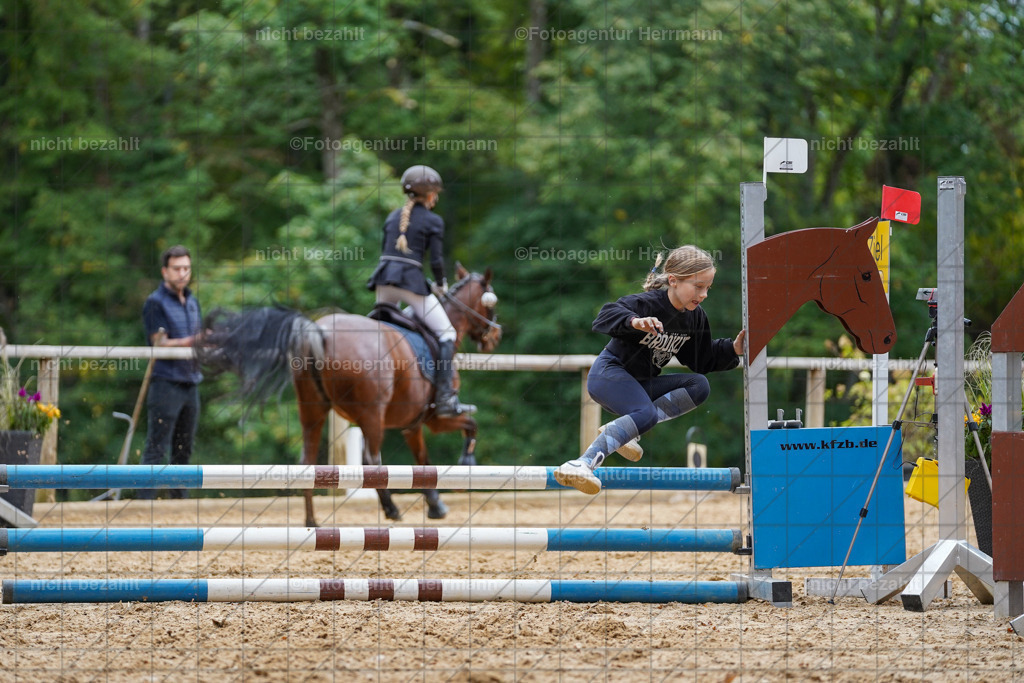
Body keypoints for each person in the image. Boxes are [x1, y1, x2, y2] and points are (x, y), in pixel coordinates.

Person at [554, 245, 746, 494]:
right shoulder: (647, 304)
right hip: (609, 374)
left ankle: (630, 427)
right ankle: (580, 463)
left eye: (708, 287)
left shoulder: (695, 318)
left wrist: (733, 349)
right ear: (674, 281)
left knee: (698, 385)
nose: (704, 294)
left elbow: (702, 359)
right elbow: (604, 315)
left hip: (642, 385)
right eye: (698, 286)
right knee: (645, 413)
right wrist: (634, 322)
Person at [366, 165, 472, 417]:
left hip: (384, 283)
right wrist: (440, 284)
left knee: (386, 328)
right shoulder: (433, 221)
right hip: (410, 283)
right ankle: (445, 398)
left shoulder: (393, 216)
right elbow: (435, 261)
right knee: (446, 334)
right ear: (431, 194)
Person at [138, 245, 203, 499]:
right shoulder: (155, 302)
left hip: (191, 381)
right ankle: (144, 504)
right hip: (166, 382)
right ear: (165, 271)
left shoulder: (193, 301)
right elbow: (158, 342)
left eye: (186, 268)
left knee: (184, 448)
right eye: (177, 268)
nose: (182, 273)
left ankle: (179, 503)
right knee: (157, 445)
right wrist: (192, 341)